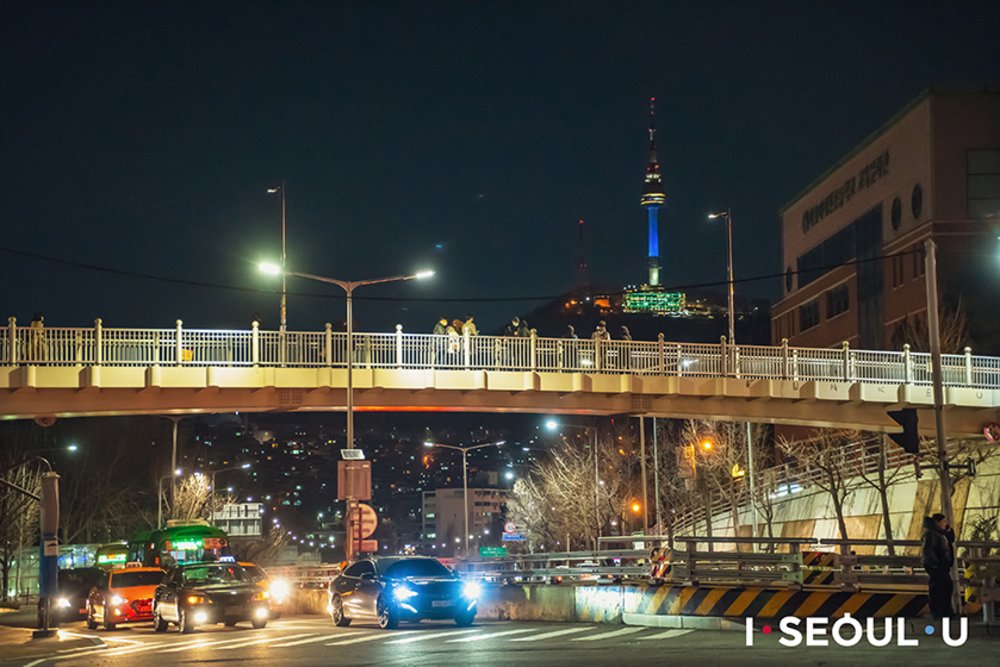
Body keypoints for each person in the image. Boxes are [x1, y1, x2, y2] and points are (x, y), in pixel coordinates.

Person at [922, 513, 956, 619]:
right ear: (937, 523)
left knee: (946, 588)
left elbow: (951, 540)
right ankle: (940, 612)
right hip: (937, 566)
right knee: (939, 589)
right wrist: (934, 564)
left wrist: (949, 530)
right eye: (943, 522)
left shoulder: (941, 534)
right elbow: (929, 550)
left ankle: (945, 612)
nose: (945, 524)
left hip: (943, 565)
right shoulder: (932, 534)